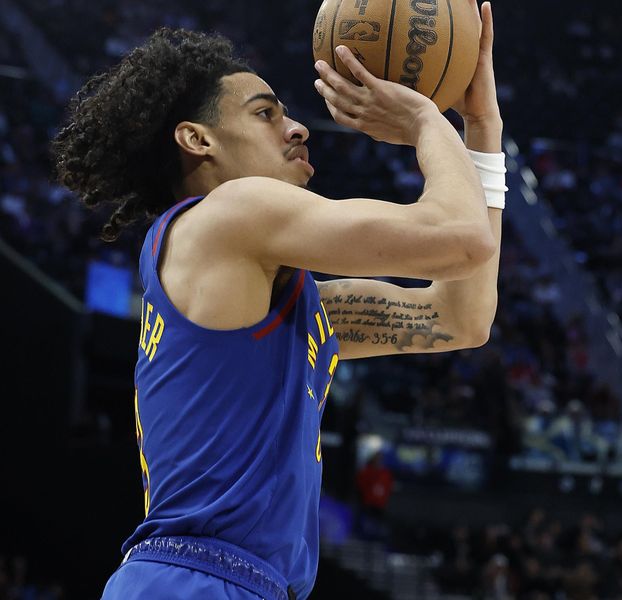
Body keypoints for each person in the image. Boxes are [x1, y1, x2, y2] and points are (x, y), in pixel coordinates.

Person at [52, 2, 504, 599]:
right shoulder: (231, 212)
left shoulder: (270, 298)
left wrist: (482, 131)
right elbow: (462, 239)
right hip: (196, 578)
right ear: (197, 139)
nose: (298, 128)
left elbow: (461, 318)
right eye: (265, 114)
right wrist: (426, 120)